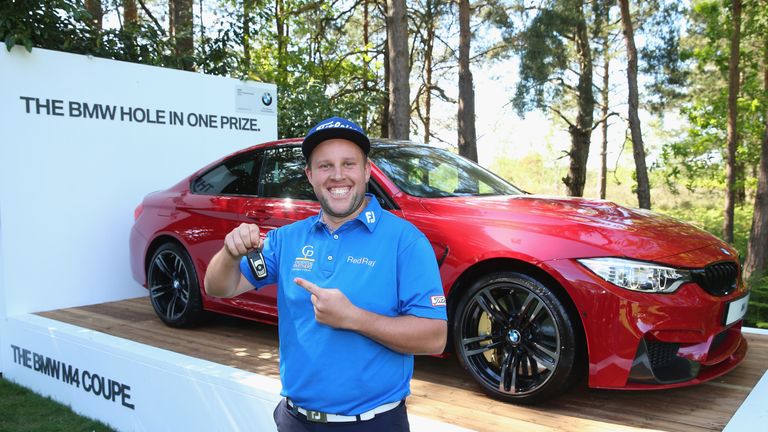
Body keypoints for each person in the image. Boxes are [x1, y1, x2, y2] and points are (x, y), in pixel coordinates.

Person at [204, 116, 448, 431]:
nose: (337, 176)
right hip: (296, 421)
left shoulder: (405, 240)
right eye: (325, 166)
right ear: (310, 175)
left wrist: (354, 318)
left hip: (373, 424)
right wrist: (228, 254)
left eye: (348, 164)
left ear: (366, 170)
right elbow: (219, 287)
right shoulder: (287, 238)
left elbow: (435, 338)